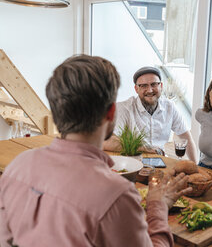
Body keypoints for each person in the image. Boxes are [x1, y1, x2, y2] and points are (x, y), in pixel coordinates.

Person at [0, 55, 191, 246]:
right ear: (111, 113)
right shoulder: (117, 195)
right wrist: (158, 207)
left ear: (56, 112)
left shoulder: (18, 166)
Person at [103, 66, 198, 163]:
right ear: (136, 89)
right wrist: (146, 148)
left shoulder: (170, 107)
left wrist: (195, 166)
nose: (150, 90)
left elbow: (186, 138)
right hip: (133, 161)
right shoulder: (124, 108)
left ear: (161, 86)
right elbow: (106, 142)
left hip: (160, 161)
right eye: (143, 86)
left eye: (154, 84)